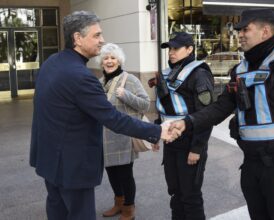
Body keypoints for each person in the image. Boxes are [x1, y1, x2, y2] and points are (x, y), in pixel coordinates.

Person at [171, 9, 274, 220]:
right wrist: (187, 122)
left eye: (246, 29)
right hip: (252, 164)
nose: (240, 34)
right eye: (240, 30)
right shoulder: (241, 69)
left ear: (265, 31)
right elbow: (221, 107)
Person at [29, 11, 178, 220]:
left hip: (49, 160)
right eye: (97, 35)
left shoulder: (51, 63)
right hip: (73, 167)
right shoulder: (81, 77)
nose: (102, 40)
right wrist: (157, 131)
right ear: (78, 39)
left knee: (57, 211)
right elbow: (113, 118)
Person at [149, 32, 214, 220]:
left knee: (190, 196)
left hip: (190, 143)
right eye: (170, 48)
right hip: (170, 142)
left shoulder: (199, 74)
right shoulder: (168, 73)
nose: (171, 52)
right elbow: (166, 109)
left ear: (190, 49)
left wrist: (197, 148)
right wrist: (155, 133)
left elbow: (206, 116)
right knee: (175, 193)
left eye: (176, 48)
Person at [97, 43, 150, 219]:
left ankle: (129, 208)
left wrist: (125, 94)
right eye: (106, 58)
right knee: (111, 172)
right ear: (101, 62)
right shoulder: (100, 81)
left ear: (119, 61)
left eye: (113, 57)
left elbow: (145, 103)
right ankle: (118, 203)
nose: (109, 61)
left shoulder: (130, 80)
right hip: (104, 137)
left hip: (123, 136)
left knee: (125, 174)